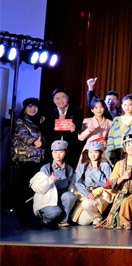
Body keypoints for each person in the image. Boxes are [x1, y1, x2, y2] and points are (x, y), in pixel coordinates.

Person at [102, 134, 132, 230]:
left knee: (126, 202)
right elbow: (112, 182)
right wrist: (123, 177)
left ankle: (125, 223)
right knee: (112, 218)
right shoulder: (119, 164)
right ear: (124, 147)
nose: (130, 147)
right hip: (121, 194)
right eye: (128, 144)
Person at [11, 97, 45, 226]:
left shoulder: (41, 120)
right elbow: (23, 135)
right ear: (25, 108)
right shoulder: (21, 121)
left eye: (35, 106)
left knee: (33, 189)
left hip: (37, 160)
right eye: (30, 106)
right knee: (22, 189)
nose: (33, 109)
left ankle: (32, 216)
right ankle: (21, 218)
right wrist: (34, 142)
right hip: (24, 160)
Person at [30, 140, 76, 227]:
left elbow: (71, 185)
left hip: (61, 197)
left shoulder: (68, 168)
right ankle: (45, 219)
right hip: (47, 198)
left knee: (70, 196)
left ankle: (63, 220)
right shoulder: (46, 168)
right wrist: (49, 181)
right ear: (52, 153)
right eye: (55, 152)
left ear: (65, 153)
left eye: (61, 152)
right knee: (55, 212)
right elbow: (38, 188)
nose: (58, 154)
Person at [71, 140, 113, 226]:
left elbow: (108, 184)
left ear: (100, 153)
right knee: (82, 222)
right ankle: (95, 215)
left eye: (96, 152)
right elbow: (78, 182)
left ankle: (98, 219)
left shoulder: (105, 166)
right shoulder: (84, 166)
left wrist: (96, 171)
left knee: (86, 204)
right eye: (90, 152)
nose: (92, 155)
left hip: (102, 193)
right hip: (88, 193)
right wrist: (87, 193)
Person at [43, 88, 83, 167]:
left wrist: (74, 128)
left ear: (68, 98)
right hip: (54, 148)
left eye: (63, 97)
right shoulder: (49, 113)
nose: (60, 100)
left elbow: (80, 128)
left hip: (71, 147)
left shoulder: (77, 111)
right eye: (57, 98)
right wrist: (56, 125)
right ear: (53, 100)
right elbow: (46, 130)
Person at [106, 95, 132, 166]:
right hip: (116, 153)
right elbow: (111, 137)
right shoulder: (116, 120)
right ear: (122, 105)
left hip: (131, 153)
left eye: (130, 105)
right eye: (125, 105)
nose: (127, 107)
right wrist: (109, 151)